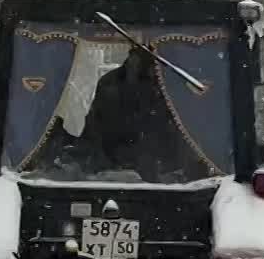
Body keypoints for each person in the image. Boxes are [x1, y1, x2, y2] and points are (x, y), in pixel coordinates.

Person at [75, 45, 209, 182]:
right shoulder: (110, 84)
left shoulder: (173, 83)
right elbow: (96, 126)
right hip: (118, 168)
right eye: (137, 56)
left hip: (165, 173)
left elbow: (185, 129)